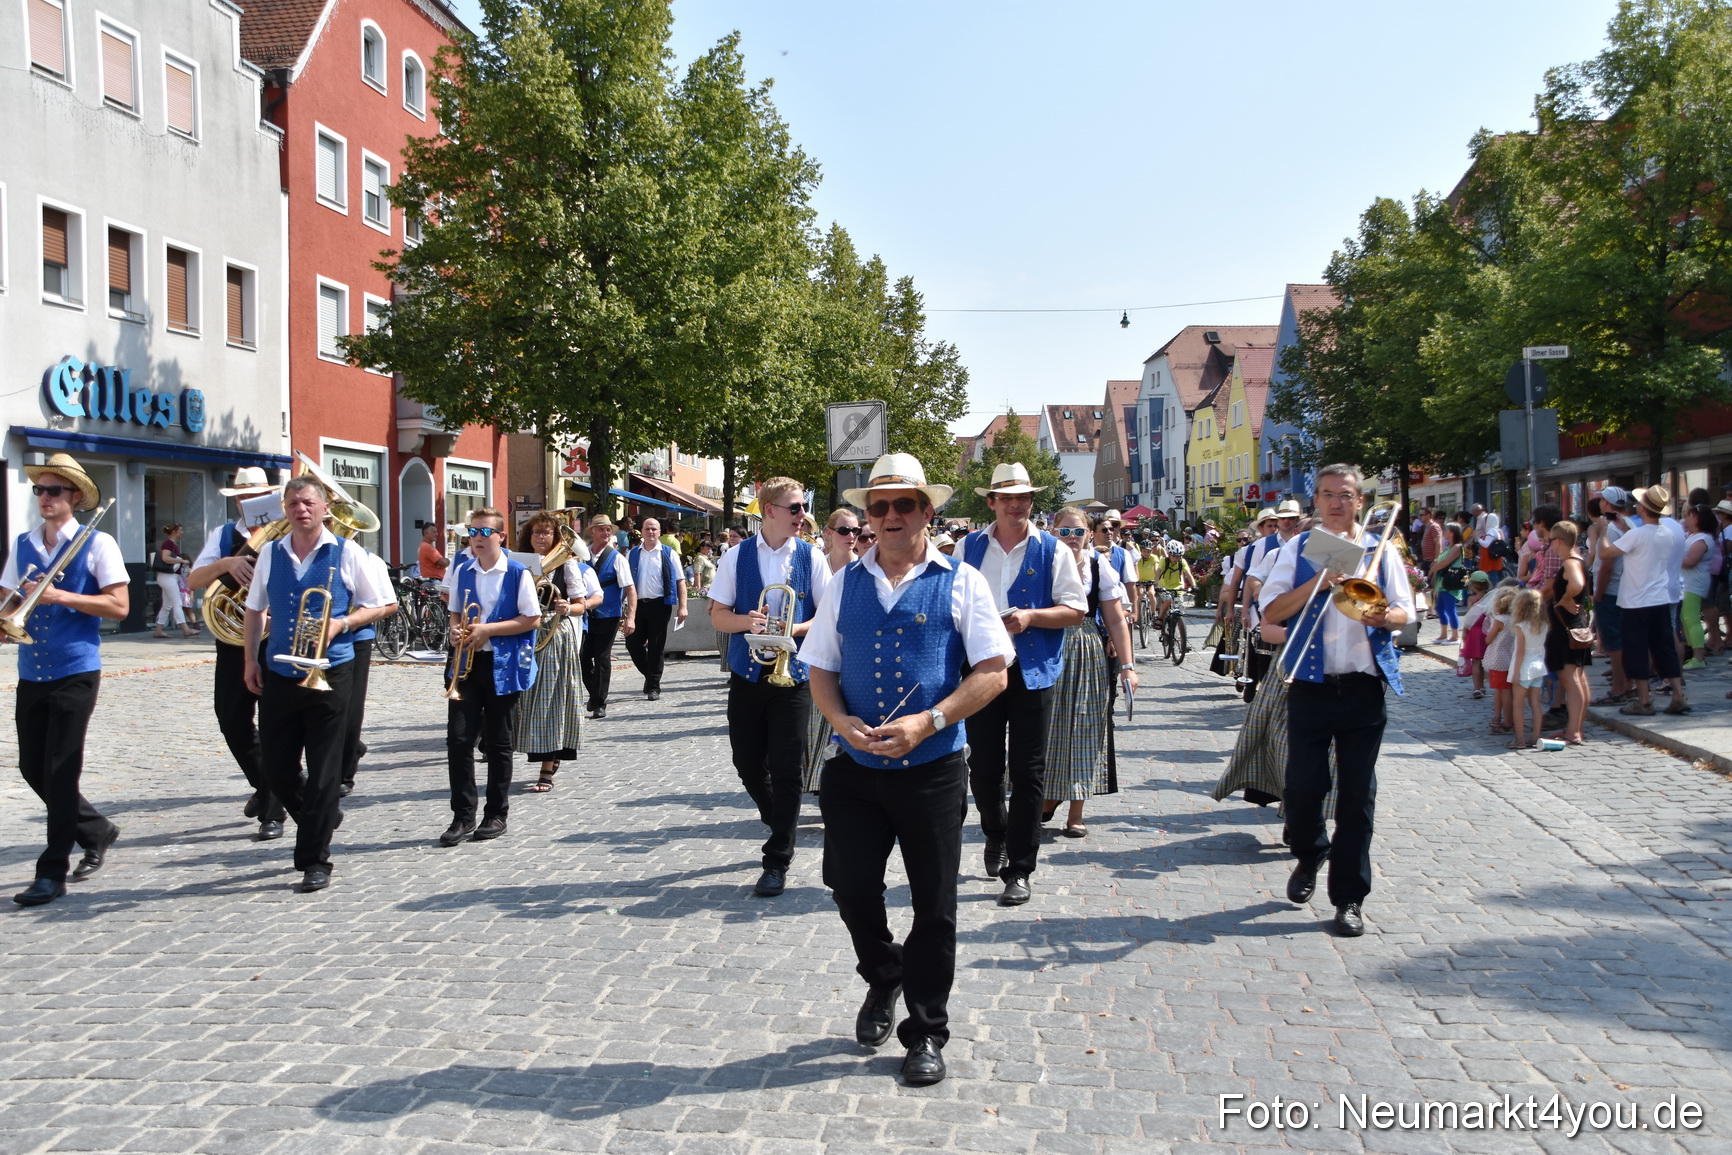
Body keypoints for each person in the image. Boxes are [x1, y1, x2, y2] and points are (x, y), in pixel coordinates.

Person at [797, 452, 1014, 1087]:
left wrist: (931, 721)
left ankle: (925, 1030)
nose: (890, 516)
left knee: (935, 906)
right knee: (850, 886)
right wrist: (839, 723)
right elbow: (821, 669)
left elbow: (993, 673)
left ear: (926, 510)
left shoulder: (963, 581)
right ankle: (884, 972)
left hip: (933, 770)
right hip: (855, 767)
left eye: (903, 504)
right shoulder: (844, 583)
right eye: (879, 506)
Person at [1259, 464, 1414, 938]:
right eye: (1327, 495)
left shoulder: (1380, 549)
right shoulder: (1298, 549)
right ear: (1316, 501)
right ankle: (1310, 852)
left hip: (1364, 689)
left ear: (1359, 501)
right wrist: (1320, 582)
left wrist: (1383, 616)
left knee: (1357, 798)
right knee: (1303, 790)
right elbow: (1271, 611)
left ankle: (1349, 898)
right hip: (1310, 684)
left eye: (1345, 495)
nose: (1336, 503)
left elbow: (1406, 612)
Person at [242, 476, 395, 893]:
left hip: (332, 670)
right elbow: (255, 611)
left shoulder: (349, 553)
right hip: (281, 670)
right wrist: (249, 661)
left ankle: (314, 859)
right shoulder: (271, 553)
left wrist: (342, 623)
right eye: (293, 503)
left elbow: (385, 603)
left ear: (324, 508)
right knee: (276, 768)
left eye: (308, 502)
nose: (300, 509)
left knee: (326, 770)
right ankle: (321, 812)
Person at [2, 454, 129, 906]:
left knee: (60, 769)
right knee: (32, 768)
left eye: (53, 490)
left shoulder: (98, 543)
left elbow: (118, 607)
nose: (44, 498)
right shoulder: (23, 543)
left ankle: (50, 871)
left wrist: (63, 596)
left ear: (74, 497)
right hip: (32, 668)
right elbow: (8, 596)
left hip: (76, 667)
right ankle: (95, 830)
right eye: (39, 490)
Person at [959, 463, 1087, 906]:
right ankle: (995, 832)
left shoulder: (1053, 550)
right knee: (985, 767)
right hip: (981, 669)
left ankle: (1021, 868)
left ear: (1032, 501)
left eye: (1024, 498)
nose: (1016, 505)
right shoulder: (967, 546)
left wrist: (1030, 617)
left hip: (1034, 669)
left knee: (1029, 772)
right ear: (991, 502)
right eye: (1007, 498)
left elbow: (1075, 610)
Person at [709, 478, 833, 897]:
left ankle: (777, 856)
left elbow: (829, 615)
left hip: (794, 675)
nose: (802, 515)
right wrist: (749, 622)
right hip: (748, 672)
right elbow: (718, 616)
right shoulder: (735, 556)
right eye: (794, 508)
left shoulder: (812, 557)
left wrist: (794, 629)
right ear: (770, 510)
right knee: (746, 761)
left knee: (785, 767)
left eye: (803, 508)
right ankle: (780, 817)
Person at [189, 466, 288, 840]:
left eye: (257, 496)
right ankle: (266, 786)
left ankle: (274, 811)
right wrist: (226, 563)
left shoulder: (287, 534)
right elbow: (194, 581)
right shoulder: (223, 535)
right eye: (243, 497)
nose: (249, 503)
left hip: (276, 638)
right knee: (232, 721)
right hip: (231, 639)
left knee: (276, 724)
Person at [440, 508, 541, 846]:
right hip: (466, 663)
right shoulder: (462, 569)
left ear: (501, 537)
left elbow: (532, 618)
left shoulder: (517, 572)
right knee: (458, 741)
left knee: (498, 743)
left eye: (485, 532)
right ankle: (462, 815)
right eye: (473, 531)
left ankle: (496, 813)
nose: (478, 537)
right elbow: (455, 610)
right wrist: (455, 630)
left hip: (504, 664)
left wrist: (488, 630)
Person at [1043, 507, 1136, 837]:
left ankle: (1076, 811)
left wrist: (1127, 666)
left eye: (1078, 532)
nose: (1071, 538)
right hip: (1047, 645)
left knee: (1086, 724)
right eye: (1064, 532)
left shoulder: (1099, 566)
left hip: (1085, 647)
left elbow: (1115, 619)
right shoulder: (1042, 562)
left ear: (1089, 534)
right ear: (1053, 532)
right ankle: (1049, 795)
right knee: (1048, 724)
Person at [515, 514, 601, 793]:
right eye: (536, 533)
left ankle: (547, 767)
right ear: (529, 536)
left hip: (555, 634)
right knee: (525, 699)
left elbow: (582, 604)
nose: (541, 537)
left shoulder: (567, 566)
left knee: (553, 700)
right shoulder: (519, 565)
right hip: (526, 634)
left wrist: (567, 607)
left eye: (546, 533)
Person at [1599, 485, 1689, 717]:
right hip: (1659, 598)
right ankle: (1678, 694)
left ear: (1643, 508)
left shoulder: (1637, 534)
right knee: (1664, 647)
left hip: (1636, 600)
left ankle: (1644, 700)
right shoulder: (1667, 532)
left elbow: (1606, 554)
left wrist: (1601, 532)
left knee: (1636, 650)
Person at [339, 547, 397, 799]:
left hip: (355, 638)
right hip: (313, 638)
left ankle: (344, 773)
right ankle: (352, 748)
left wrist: (354, 618)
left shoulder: (368, 559)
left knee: (350, 708)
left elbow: (390, 605)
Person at [624, 516, 687, 701]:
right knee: (632, 643)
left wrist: (683, 606)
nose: (651, 532)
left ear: (660, 532)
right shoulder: (633, 553)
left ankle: (653, 686)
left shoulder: (668, 553)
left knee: (656, 647)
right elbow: (627, 583)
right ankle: (650, 675)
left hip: (660, 605)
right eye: (647, 529)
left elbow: (680, 581)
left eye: (654, 529)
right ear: (641, 532)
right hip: (638, 605)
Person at [579, 514, 636, 719]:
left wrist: (630, 617)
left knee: (602, 657)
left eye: (608, 529)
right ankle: (595, 695)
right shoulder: (581, 555)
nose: (605, 532)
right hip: (584, 614)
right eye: (601, 529)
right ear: (592, 532)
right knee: (583, 658)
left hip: (609, 614)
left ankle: (599, 702)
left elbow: (630, 589)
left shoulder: (617, 558)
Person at [1540, 522, 1591, 744]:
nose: (1549, 544)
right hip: (1573, 626)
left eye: (1550, 540)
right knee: (1578, 679)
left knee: (1571, 680)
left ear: (1558, 541)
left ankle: (1574, 731)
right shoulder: (1577, 559)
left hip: (1566, 627)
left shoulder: (1570, 561)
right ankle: (1575, 728)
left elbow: (1577, 584)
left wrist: (1565, 598)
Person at [1591, 488, 1634, 705]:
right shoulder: (1626, 525)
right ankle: (1627, 685)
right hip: (1623, 589)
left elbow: (1607, 564)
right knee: (1622, 642)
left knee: (1614, 645)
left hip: (1611, 591)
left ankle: (1618, 688)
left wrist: (1598, 592)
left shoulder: (1610, 530)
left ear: (1606, 503)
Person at [1508, 589, 1549, 748]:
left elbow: (1520, 651)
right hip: (1538, 665)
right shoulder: (1544, 625)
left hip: (1524, 665)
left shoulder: (1521, 626)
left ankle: (1519, 739)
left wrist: (1515, 673)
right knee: (1535, 703)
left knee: (1518, 704)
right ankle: (1536, 735)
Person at [1679, 504, 1714, 671]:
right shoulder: (1692, 536)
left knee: (1691, 619)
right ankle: (1692, 652)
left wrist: (1669, 558)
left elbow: (1691, 561)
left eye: (1689, 516)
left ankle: (1698, 656)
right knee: (1686, 618)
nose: (1686, 518)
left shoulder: (1702, 539)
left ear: (1698, 519)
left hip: (1693, 582)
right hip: (1686, 582)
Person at [1483, 585, 1519, 734]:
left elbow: (1488, 639)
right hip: (1511, 657)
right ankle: (1499, 716)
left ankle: (1507, 721)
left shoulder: (1499, 619)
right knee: (1503, 689)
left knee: (1503, 691)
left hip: (1499, 659)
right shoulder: (1515, 619)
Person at [152, 524, 197, 638]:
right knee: (177, 603)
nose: (182, 532)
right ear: (174, 532)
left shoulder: (172, 544)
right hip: (168, 577)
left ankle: (158, 630)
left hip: (168, 577)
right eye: (180, 530)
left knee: (167, 605)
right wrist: (182, 560)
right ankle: (185, 629)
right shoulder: (169, 544)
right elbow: (165, 558)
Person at [1428, 525, 1468, 645]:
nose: (1444, 532)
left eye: (1446, 530)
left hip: (1451, 581)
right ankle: (1444, 634)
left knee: (1450, 608)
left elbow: (1446, 562)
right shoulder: (1447, 547)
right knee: (1439, 607)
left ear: (1452, 532)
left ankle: (1455, 635)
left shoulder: (1457, 547)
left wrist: (1433, 569)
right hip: (1442, 581)